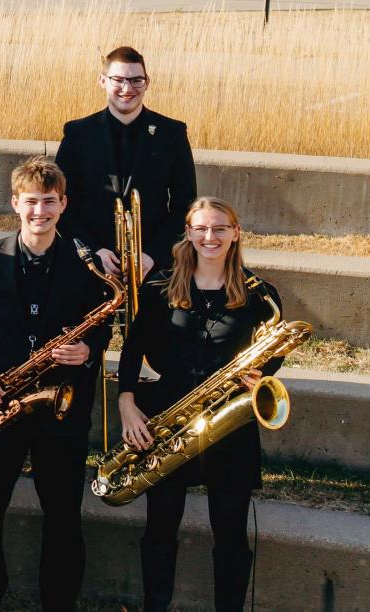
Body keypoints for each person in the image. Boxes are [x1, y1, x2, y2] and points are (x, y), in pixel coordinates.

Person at [0, 158, 112, 612]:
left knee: (63, 516)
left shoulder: (86, 266)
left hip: (60, 404)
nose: (39, 210)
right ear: (15, 204)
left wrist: (88, 351)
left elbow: (99, 327)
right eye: (31, 201)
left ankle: (58, 603)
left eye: (49, 201)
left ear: (63, 204)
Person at [117, 197, 285, 612]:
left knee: (230, 532)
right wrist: (126, 403)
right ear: (188, 233)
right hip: (169, 420)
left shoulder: (261, 294)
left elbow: (273, 352)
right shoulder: (157, 289)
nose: (210, 237)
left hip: (230, 423)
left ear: (235, 232)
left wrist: (263, 377)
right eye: (201, 228)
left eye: (220, 228)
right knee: (160, 525)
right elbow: (131, 351)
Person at [55, 45, 197, 281]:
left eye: (136, 80)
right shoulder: (77, 134)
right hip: (92, 265)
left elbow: (186, 205)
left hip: (152, 268)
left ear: (147, 82)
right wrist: (93, 251)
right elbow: (61, 203)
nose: (127, 88)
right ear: (103, 81)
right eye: (118, 80)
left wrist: (153, 254)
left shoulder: (172, 134)